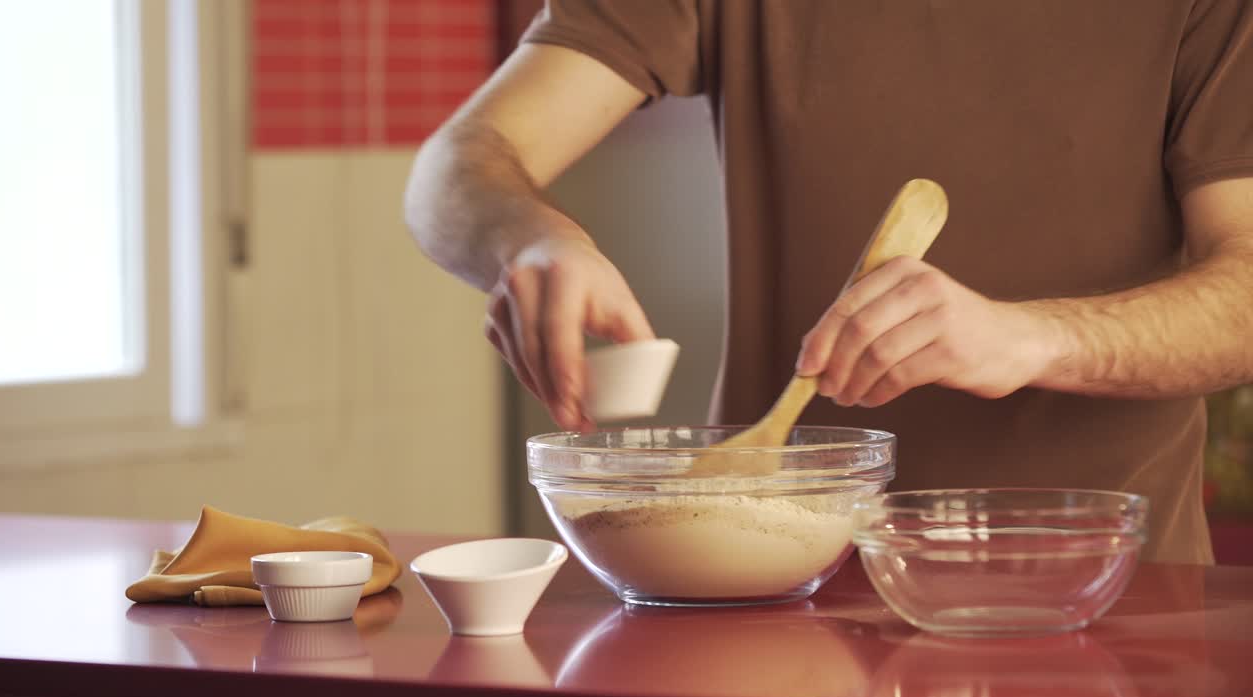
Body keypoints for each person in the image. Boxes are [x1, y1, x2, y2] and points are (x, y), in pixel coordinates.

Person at [404, 1, 1253, 564]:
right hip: (768, 599)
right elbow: (458, 165)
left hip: (1104, 592)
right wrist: (529, 239)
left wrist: (1037, 338)